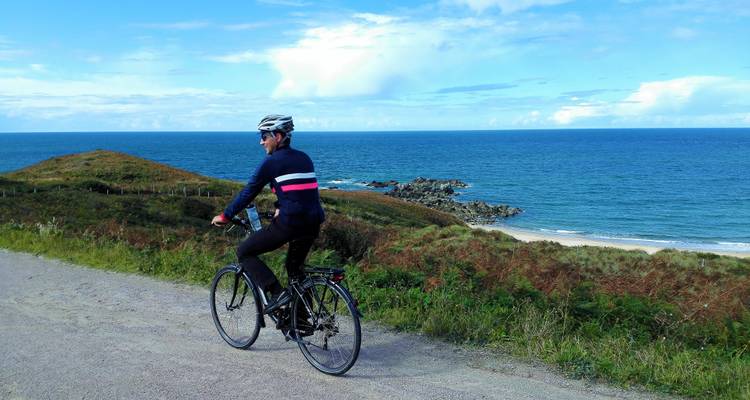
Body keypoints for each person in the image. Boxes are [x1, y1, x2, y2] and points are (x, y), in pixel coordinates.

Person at [211, 114, 325, 318]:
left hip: (292, 222)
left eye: (264, 136)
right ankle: (302, 322)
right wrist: (280, 205)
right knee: (295, 269)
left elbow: (249, 192)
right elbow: (299, 190)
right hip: (313, 221)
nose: (261, 141)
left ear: (278, 136)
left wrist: (226, 215)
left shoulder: (271, 162)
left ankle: (277, 293)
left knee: (244, 251)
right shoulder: (304, 158)